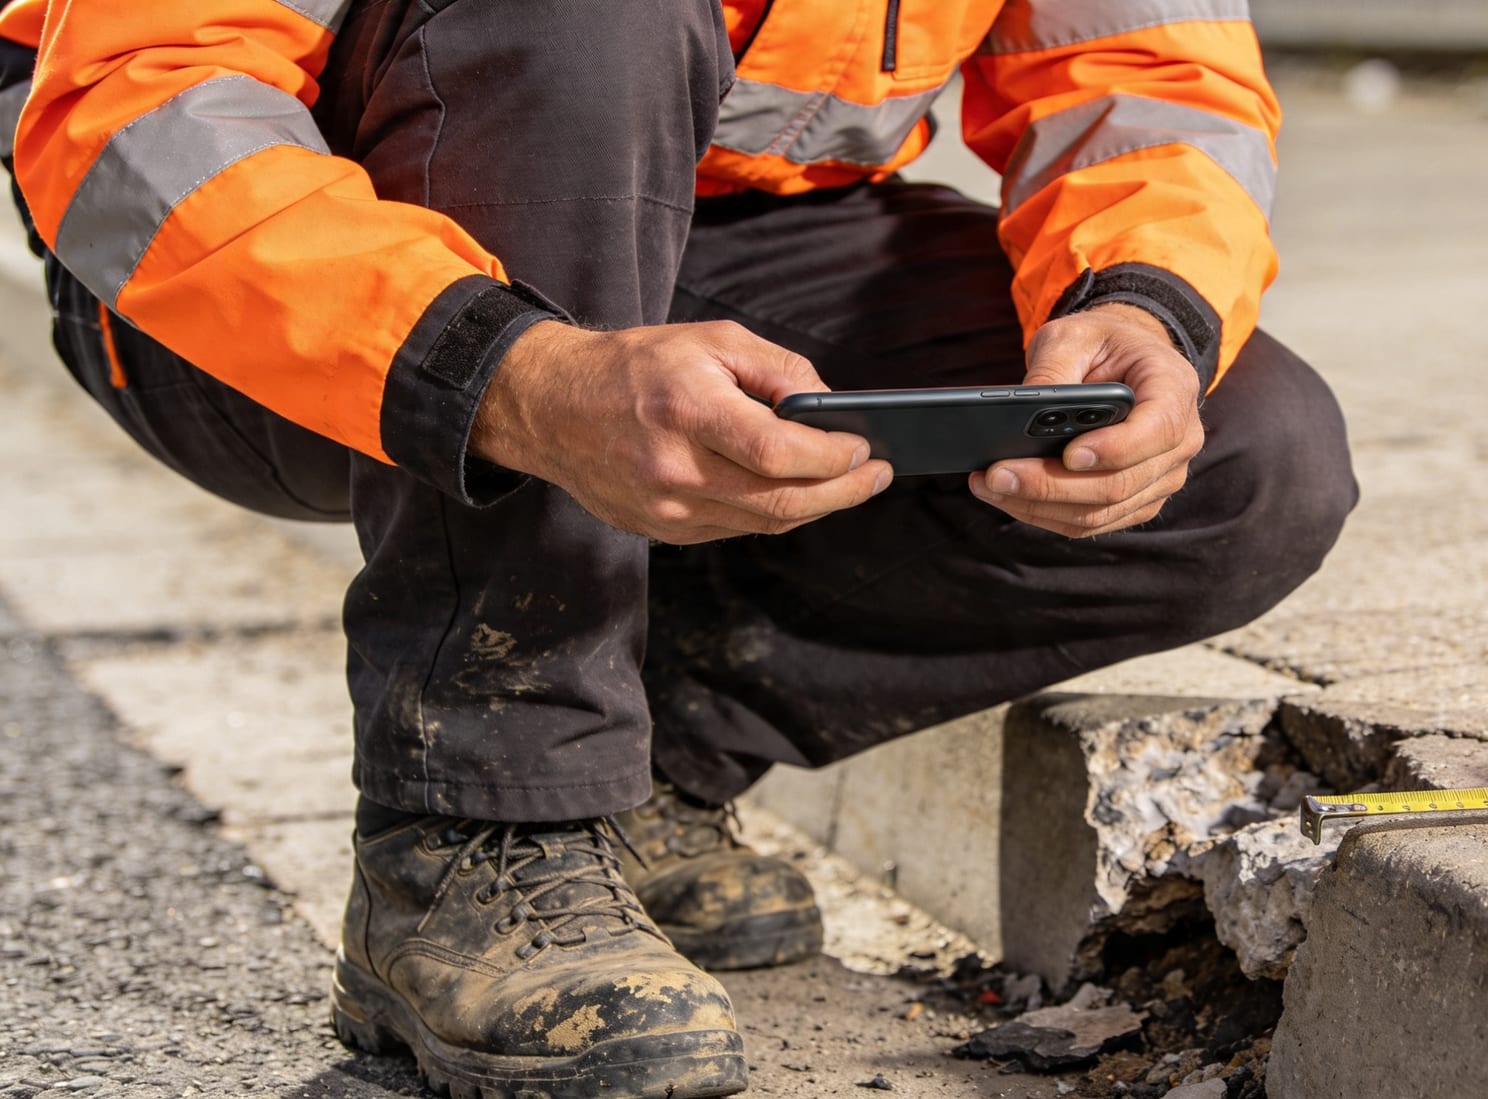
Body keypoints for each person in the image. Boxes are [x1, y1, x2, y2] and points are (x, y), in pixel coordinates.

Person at [0, 1, 1358, 1095]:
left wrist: (1142, 300)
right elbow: (137, 98)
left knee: (1246, 460)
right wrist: (514, 374)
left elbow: (1145, 73)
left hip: (714, 223)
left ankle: (642, 767)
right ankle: (479, 825)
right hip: (250, 279)